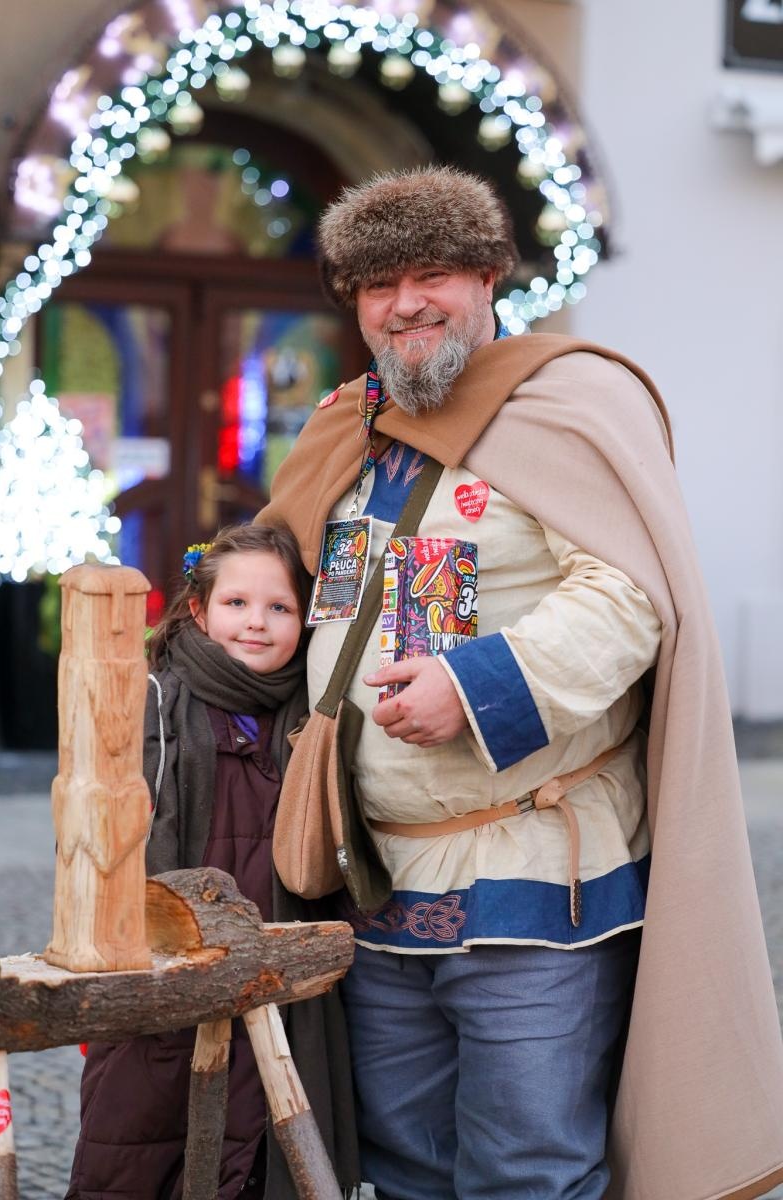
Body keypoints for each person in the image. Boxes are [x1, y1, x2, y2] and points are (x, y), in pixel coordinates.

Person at [258, 166, 783, 1200]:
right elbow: (281, 585)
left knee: (524, 1173)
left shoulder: (568, 401)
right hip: (369, 880)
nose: (404, 302)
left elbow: (629, 597)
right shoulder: (345, 430)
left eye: (431, 273)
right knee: (404, 1171)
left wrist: (473, 687)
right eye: (376, 285)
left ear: (489, 275)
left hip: (535, 877)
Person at [65, 523, 359, 1200]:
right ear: (199, 609)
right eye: (236, 604)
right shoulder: (157, 701)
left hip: (274, 990)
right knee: (139, 1154)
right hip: (166, 984)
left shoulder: (311, 711)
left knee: (254, 1156)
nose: (256, 623)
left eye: (279, 608)